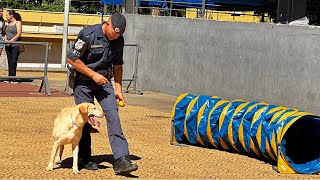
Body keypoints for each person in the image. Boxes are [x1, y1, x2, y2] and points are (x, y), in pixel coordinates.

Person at [66, 12, 138, 174]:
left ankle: (121, 159)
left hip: (104, 82)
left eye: (118, 35)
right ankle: (84, 158)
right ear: (107, 24)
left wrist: (118, 89)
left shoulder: (118, 40)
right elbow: (71, 58)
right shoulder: (88, 34)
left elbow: (118, 65)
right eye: (114, 33)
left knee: (113, 114)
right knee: (85, 119)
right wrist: (92, 74)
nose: (115, 37)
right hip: (83, 81)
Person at [4, 10, 22, 84]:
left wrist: (11, 41)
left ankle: (13, 78)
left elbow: (19, 34)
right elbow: (5, 33)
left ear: (11, 15)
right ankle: (9, 77)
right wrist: (6, 41)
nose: (6, 16)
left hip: (15, 45)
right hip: (7, 45)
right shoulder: (7, 24)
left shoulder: (18, 23)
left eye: (7, 15)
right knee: (9, 61)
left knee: (13, 61)